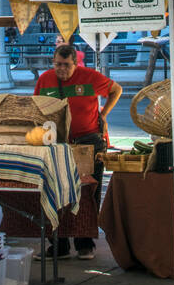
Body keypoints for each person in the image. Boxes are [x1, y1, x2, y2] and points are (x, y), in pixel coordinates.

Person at [33, 44, 123, 260]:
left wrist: (104, 114)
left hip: (88, 141)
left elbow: (116, 90)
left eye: (66, 65)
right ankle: (59, 245)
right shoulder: (45, 79)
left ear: (75, 63)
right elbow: (35, 106)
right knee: (56, 193)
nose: (61, 69)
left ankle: (85, 243)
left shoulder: (90, 76)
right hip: (56, 144)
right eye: (58, 65)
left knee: (86, 194)